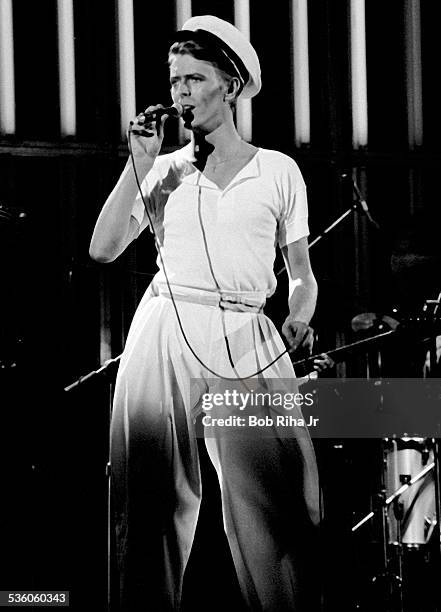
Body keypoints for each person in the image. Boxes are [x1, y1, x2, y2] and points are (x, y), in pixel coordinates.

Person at [90, 15, 320, 611]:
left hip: (246, 332)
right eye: (174, 81)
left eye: (194, 78)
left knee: (275, 503)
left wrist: (298, 313)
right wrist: (138, 163)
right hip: (165, 324)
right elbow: (103, 247)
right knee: (147, 503)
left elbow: (301, 275)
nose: (180, 93)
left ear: (232, 85)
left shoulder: (278, 171)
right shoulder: (164, 172)